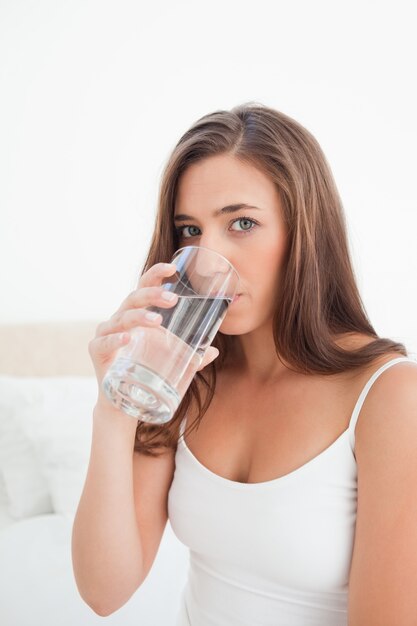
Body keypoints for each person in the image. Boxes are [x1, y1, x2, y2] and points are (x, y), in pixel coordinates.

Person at [71, 103, 417, 625]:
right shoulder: (188, 376)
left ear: (304, 233)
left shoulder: (389, 396)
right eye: (190, 230)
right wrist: (113, 406)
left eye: (242, 223)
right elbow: (104, 590)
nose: (212, 256)